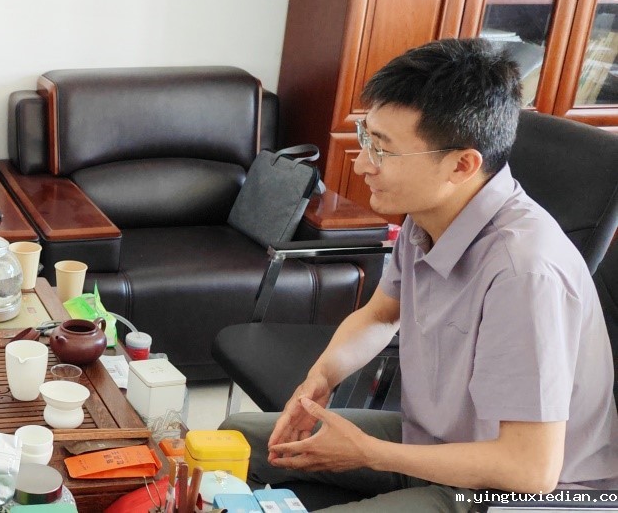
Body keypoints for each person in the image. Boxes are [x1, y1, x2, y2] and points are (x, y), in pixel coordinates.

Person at [222, 38, 618, 510]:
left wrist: (367, 453)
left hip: (516, 493)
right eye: (367, 137)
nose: (362, 163)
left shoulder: (524, 272)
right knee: (236, 440)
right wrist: (321, 378)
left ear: (461, 165)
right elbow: (380, 315)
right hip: (435, 443)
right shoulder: (427, 214)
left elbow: (530, 470)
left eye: (383, 150)